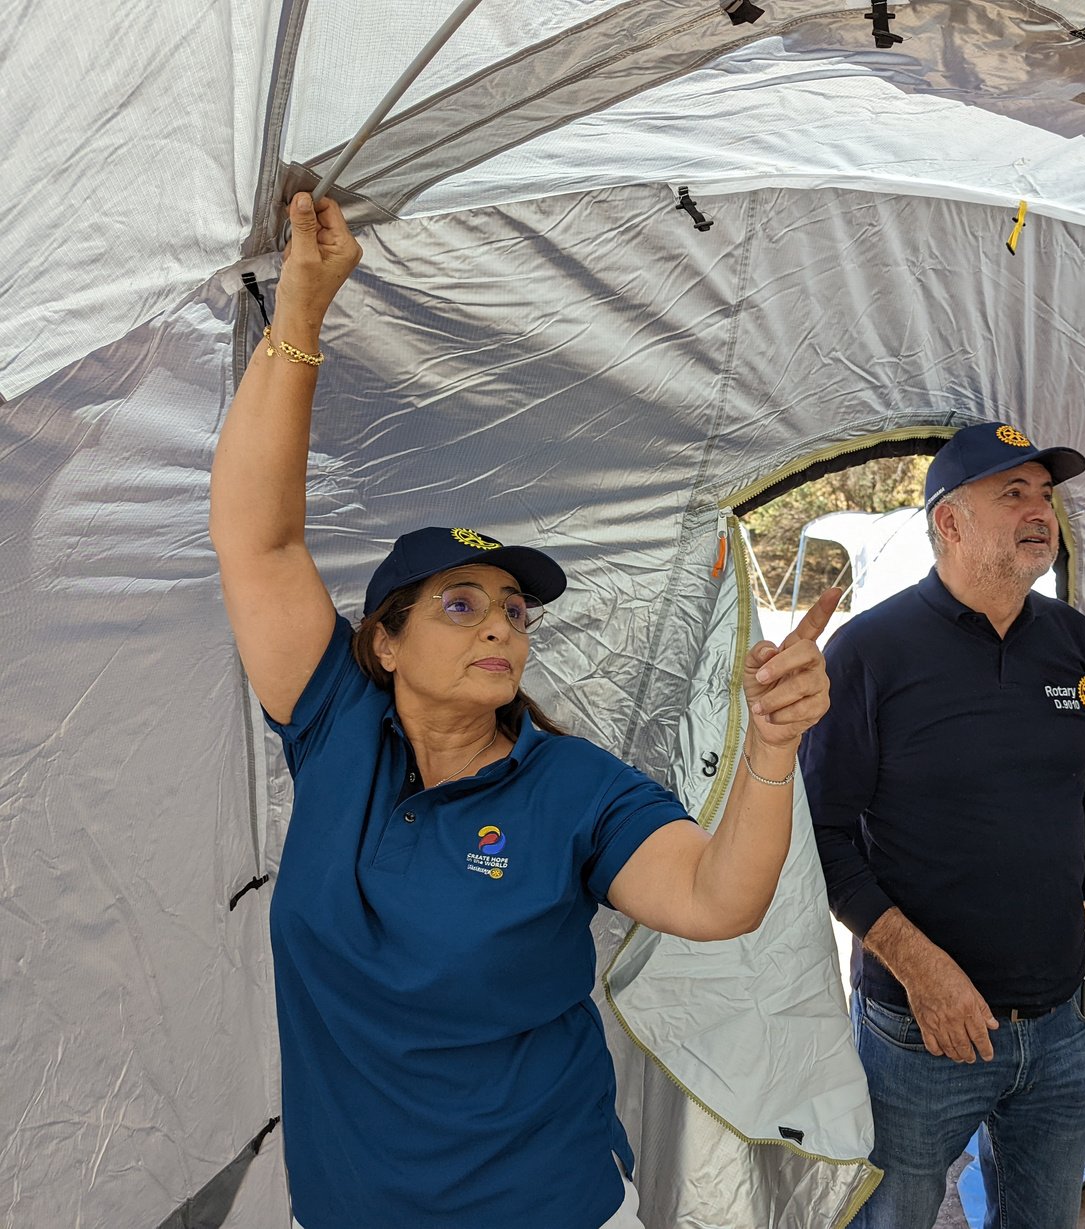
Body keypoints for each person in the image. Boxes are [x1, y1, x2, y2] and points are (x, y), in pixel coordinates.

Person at [208, 192, 841, 1229]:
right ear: (385, 641)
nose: (500, 624)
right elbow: (257, 537)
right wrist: (302, 314)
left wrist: (771, 751)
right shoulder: (335, 731)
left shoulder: (573, 788)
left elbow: (716, 897)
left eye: (512, 608)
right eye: (461, 604)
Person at [801, 421, 1085, 1229]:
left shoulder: (1070, 638)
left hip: (1060, 1023)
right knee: (889, 1217)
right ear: (948, 522)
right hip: (919, 1032)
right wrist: (922, 970)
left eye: (1045, 494)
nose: (1040, 511)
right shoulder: (869, 652)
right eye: (1013, 492)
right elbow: (821, 837)